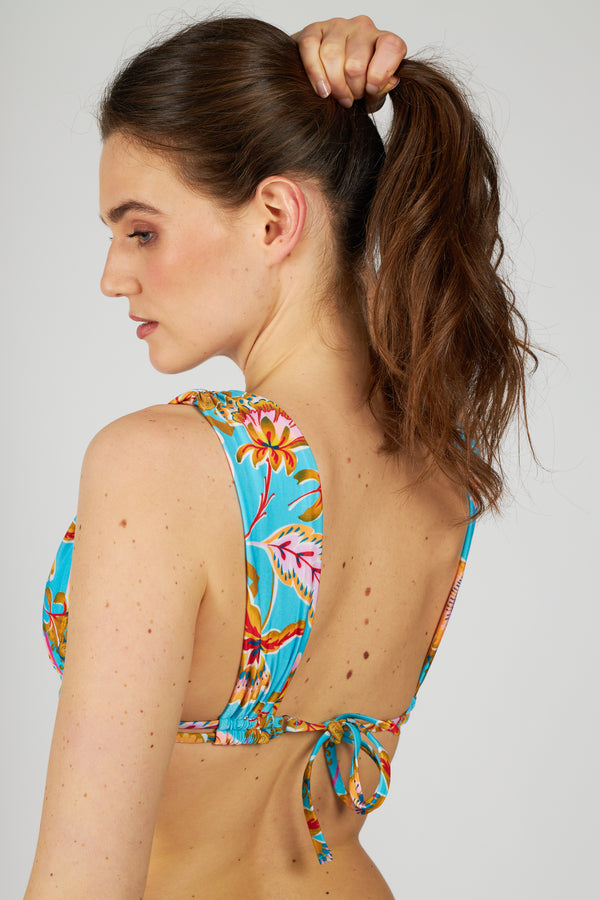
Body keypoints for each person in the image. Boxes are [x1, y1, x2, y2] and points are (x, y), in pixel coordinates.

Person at [26, 14, 537, 899]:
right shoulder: (440, 465)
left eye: (141, 230)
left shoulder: (160, 466)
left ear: (273, 219)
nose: (113, 276)